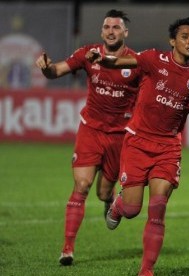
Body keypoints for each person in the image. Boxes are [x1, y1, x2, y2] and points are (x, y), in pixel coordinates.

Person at [85, 17, 189, 276]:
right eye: (185, 37)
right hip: (137, 143)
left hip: (168, 148)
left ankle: (146, 270)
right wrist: (100, 59)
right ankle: (118, 205)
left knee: (158, 208)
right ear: (173, 41)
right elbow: (119, 61)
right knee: (133, 209)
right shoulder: (153, 59)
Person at [35, 10, 142, 266]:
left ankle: (109, 200)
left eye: (116, 27)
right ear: (101, 31)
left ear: (125, 32)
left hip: (118, 136)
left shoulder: (136, 62)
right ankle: (67, 248)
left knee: (104, 192)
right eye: (107, 27)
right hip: (90, 130)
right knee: (81, 185)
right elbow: (57, 70)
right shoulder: (88, 53)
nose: (111, 31)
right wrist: (47, 68)